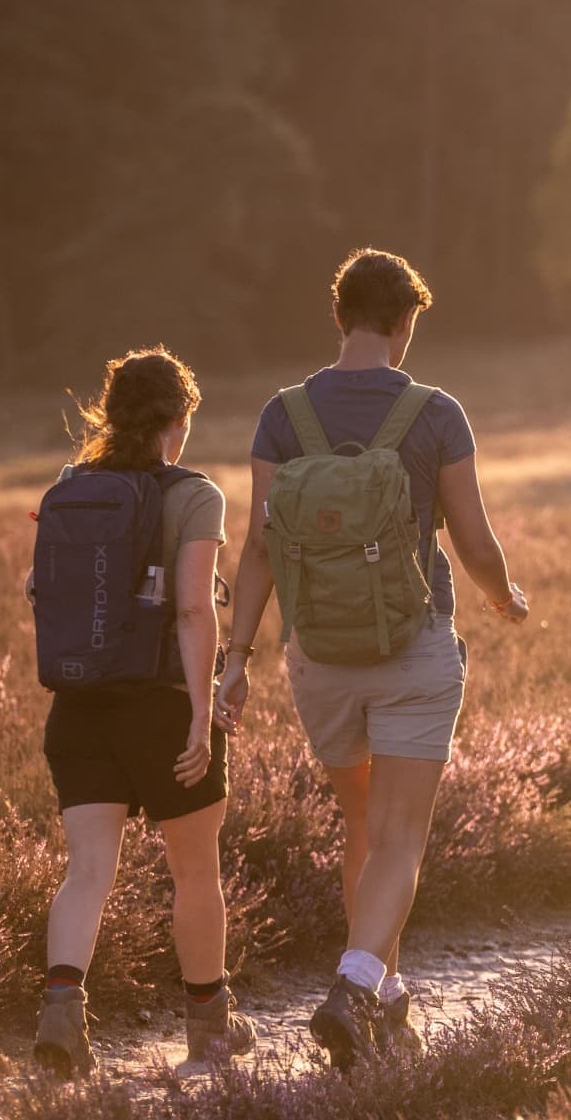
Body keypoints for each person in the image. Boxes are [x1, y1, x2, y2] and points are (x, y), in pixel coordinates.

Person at [216, 248, 530, 1070]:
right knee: (399, 836)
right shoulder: (435, 412)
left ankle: (387, 1000)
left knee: (361, 821)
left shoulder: (283, 415)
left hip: (317, 653)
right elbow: (473, 541)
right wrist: (503, 597)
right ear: (403, 323)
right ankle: (354, 988)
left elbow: (256, 546)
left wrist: (236, 656)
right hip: (412, 649)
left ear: (339, 317)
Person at [30, 348, 239, 1077]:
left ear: (111, 415)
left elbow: (40, 588)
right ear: (177, 422)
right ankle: (209, 1026)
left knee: (87, 869)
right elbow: (191, 609)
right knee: (194, 872)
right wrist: (198, 716)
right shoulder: (196, 495)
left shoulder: (71, 486)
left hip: (79, 708)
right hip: (160, 705)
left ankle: (62, 1014)